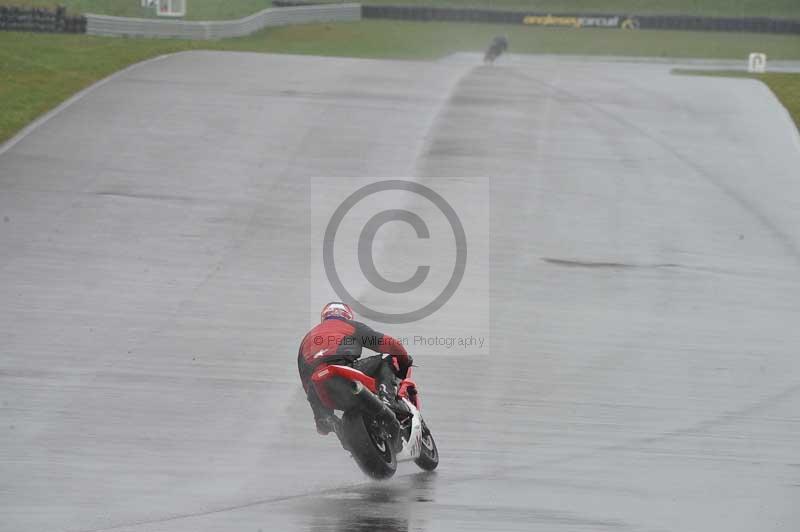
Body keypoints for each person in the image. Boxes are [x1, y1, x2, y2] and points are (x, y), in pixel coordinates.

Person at [298, 302, 413, 435]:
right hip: (343, 368)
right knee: (385, 359)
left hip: (319, 385)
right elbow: (390, 344)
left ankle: (325, 419)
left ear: (324, 317)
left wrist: (320, 408)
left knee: (312, 386)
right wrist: (404, 362)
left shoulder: (307, 338)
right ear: (347, 316)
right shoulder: (349, 326)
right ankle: (388, 399)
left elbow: (305, 379)